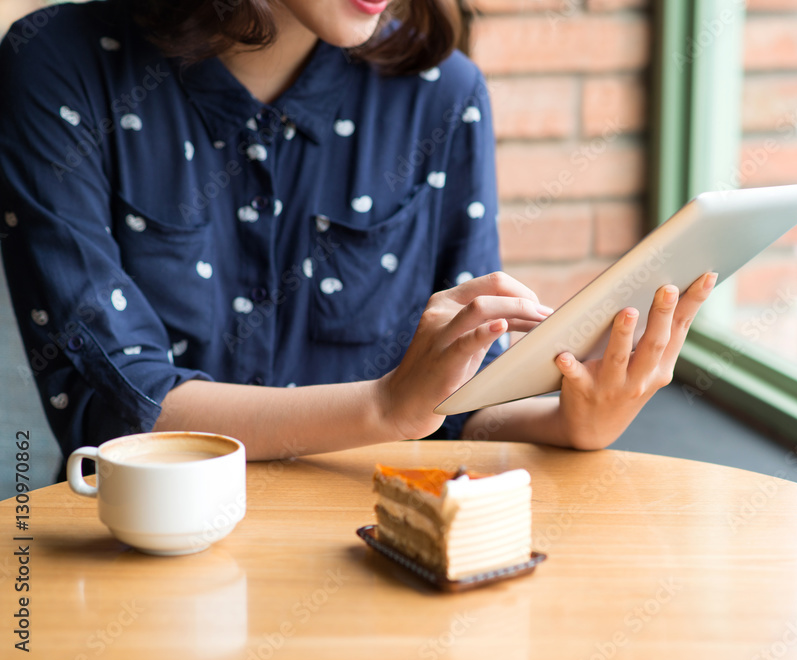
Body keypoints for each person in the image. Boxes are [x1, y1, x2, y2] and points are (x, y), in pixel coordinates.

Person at [0, 0, 716, 465]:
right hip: (145, 566)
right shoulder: (58, 67)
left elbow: (455, 410)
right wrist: (383, 406)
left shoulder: (445, 93)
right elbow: (129, 406)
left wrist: (572, 420)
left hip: (378, 554)